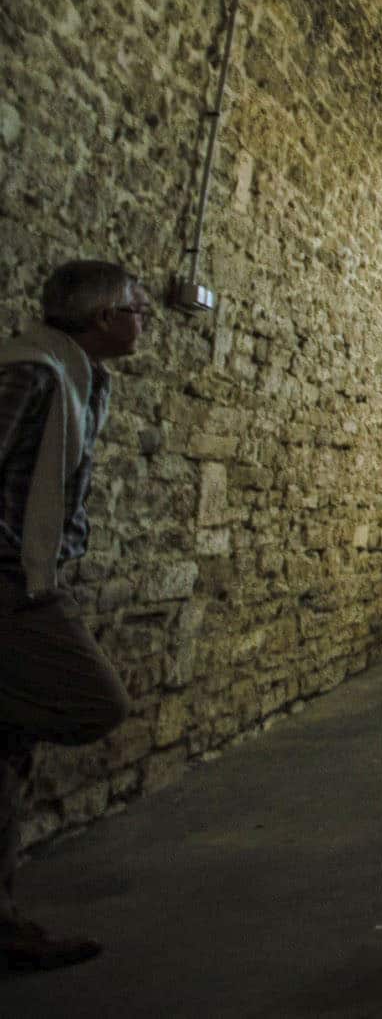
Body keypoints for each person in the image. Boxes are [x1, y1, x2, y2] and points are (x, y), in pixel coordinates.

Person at [0, 262, 144, 971]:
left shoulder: (79, 375)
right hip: (11, 586)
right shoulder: (32, 374)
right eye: (133, 307)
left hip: (27, 577)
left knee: (8, 751)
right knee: (95, 700)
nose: (143, 316)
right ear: (100, 318)